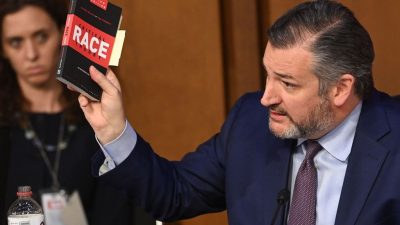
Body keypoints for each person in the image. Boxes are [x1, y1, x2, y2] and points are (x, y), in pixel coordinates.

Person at [76, 0, 400, 224]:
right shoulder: (250, 124)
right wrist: (113, 131)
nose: (266, 98)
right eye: (267, 75)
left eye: (287, 83)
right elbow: (173, 193)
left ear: (340, 89)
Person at [0, 0, 154, 224]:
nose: (31, 54)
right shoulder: (5, 129)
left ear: (64, 34)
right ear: (3, 49)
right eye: (16, 42)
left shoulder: (96, 120)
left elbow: (120, 212)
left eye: (41, 36)